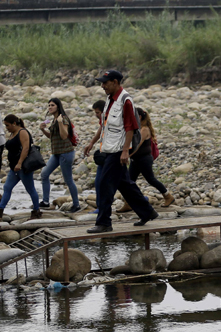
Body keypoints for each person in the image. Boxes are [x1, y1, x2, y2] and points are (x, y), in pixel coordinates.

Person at [84, 70, 157, 233]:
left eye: (105, 83)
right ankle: (147, 212)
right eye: (102, 83)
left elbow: (131, 127)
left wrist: (125, 151)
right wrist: (92, 143)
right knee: (125, 185)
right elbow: (105, 125)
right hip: (109, 148)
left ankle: (104, 222)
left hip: (118, 150)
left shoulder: (126, 101)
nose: (103, 86)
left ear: (115, 82)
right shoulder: (110, 99)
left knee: (104, 184)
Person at [0, 115, 42, 220]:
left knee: (30, 189)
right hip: (14, 168)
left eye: (7, 125)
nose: (6, 127)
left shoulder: (22, 132)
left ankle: (36, 211)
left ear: (14, 124)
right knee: (7, 187)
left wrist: (19, 163)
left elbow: (26, 149)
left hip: (23, 167)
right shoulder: (13, 133)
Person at [118, 107, 175, 211]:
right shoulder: (137, 129)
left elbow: (137, 146)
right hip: (135, 160)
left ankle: (168, 196)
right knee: (129, 181)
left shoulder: (144, 130)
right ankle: (128, 203)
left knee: (151, 179)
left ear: (139, 117)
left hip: (144, 159)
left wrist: (127, 155)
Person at [38, 98, 81, 213]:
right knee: (44, 174)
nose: (50, 107)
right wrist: (43, 130)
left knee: (68, 180)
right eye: (49, 105)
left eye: (52, 105)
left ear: (58, 106)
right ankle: (45, 202)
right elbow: (52, 137)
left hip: (66, 153)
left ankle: (76, 204)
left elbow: (63, 136)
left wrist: (61, 122)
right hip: (56, 153)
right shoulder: (54, 120)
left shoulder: (63, 119)